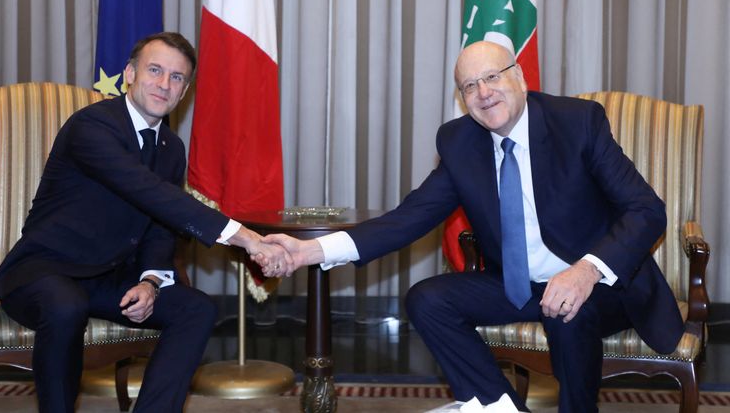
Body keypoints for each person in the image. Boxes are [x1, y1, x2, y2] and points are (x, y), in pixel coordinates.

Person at [262, 41, 683, 413]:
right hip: (520, 285)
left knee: (565, 310)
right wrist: (307, 253)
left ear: (518, 77)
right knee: (427, 299)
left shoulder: (577, 123)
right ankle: (501, 407)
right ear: (462, 98)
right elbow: (408, 218)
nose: (483, 93)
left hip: (601, 285)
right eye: (469, 86)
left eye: (492, 77)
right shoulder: (461, 142)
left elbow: (646, 210)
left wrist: (586, 271)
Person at [0, 32, 293, 413]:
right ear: (130, 73)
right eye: (155, 70)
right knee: (66, 306)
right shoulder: (92, 126)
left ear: (185, 92)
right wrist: (244, 237)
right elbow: (149, 192)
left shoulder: (171, 149)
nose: (165, 84)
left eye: (177, 78)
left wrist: (150, 281)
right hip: (45, 271)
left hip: (109, 277)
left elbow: (160, 225)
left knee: (197, 309)